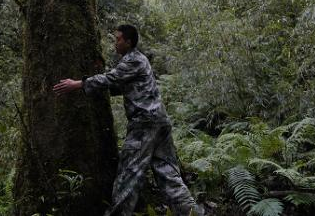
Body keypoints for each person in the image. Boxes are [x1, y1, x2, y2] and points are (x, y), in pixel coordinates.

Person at [53, 24, 205, 216]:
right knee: (168, 175)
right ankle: (192, 213)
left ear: (129, 42)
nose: (115, 43)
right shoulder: (138, 60)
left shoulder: (133, 60)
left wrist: (78, 84)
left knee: (128, 175)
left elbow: (111, 79)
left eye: (118, 39)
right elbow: (120, 85)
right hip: (159, 122)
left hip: (144, 124)